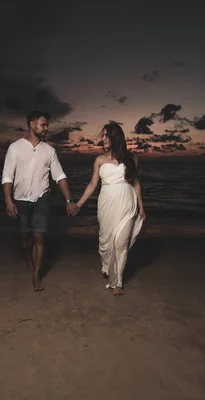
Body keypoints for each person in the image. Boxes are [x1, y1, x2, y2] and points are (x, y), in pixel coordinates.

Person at [1, 110, 79, 292]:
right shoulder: (15, 148)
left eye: (46, 125)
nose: (46, 128)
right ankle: (28, 258)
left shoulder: (49, 151)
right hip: (20, 200)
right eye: (43, 124)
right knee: (25, 237)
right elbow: (7, 176)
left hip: (41, 199)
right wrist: (8, 200)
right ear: (32, 125)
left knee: (39, 236)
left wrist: (69, 200)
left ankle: (36, 274)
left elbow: (60, 177)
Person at [74, 122, 146, 296]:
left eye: (106, 135)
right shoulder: (99, 160)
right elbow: (92, 184)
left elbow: (135, 183)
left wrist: (141, 207)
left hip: (127, 204)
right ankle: (108, 266)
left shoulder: (131, 159)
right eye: (103, 135)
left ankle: (117, 282)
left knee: (121, 243)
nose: (103, 138)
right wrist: (78, 204)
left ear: (115, 137)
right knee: (106, 243)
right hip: (106, 204)